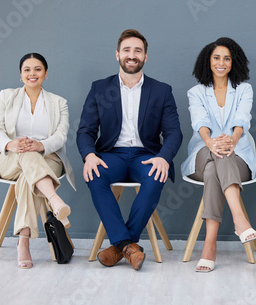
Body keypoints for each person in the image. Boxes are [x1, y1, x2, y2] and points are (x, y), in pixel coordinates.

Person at [76, 29, 183, 271]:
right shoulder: (99, 88)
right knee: (94, 174)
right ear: (117, 55)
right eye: (126, 50)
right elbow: (85, 131)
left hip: (146, 156)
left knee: (156, 175)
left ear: (146, 56)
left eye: (137, 51)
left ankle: (118, 247)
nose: (131, 55)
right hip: (112, 155)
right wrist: (90, 155)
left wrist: (164, 158)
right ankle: (129, 246)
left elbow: (174, 132)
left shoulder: (161, 90)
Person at [0, 53, 76, 269]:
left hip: (48, 158)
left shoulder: (59, 102)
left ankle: (23, 241)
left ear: (45, 73)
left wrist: (40, 146)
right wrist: (11, 145)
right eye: (27, 69)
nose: (32, 73)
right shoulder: (5, 96)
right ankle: (54, 199)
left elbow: (61, 136)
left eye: (37, 69)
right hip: (9, 158)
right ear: (20, 74)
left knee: (29, 172)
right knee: (27, 155)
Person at [181, 37, 256, 272]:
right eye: (216, 57)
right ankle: (240, 220)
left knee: (214, 168)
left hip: (238, 156)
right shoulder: (196, 92)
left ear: (233, 62)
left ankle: (209, 246)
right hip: (202, 152)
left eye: (227, 58)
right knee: (216, 156)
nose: (221, 62)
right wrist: (210, 143)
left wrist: (233, 141)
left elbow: (242, 119)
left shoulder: (244, 89)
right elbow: (200, 121)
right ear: (208, 61)